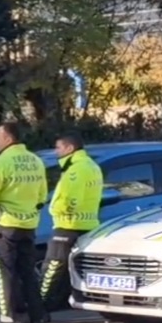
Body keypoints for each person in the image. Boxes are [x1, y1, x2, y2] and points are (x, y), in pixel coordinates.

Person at [0, 122, 49, 323]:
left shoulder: (0, 163)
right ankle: (37, 321)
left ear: (8, 139)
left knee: (5, 276)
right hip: (28, 226)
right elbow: (42, 195)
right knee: (29, 275)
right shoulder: (36, 161)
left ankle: (6, 322)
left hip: (4, 227)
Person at [40, 133, 102, 310]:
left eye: (58, 147)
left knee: (51, 268)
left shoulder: (76, 169)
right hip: (87, 225)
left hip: (68, 226)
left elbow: (71, 199)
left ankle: (39, 308)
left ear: (69, 148)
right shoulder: (91, 166)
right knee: (73, 269)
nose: (56, 151)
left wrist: (57, 210)